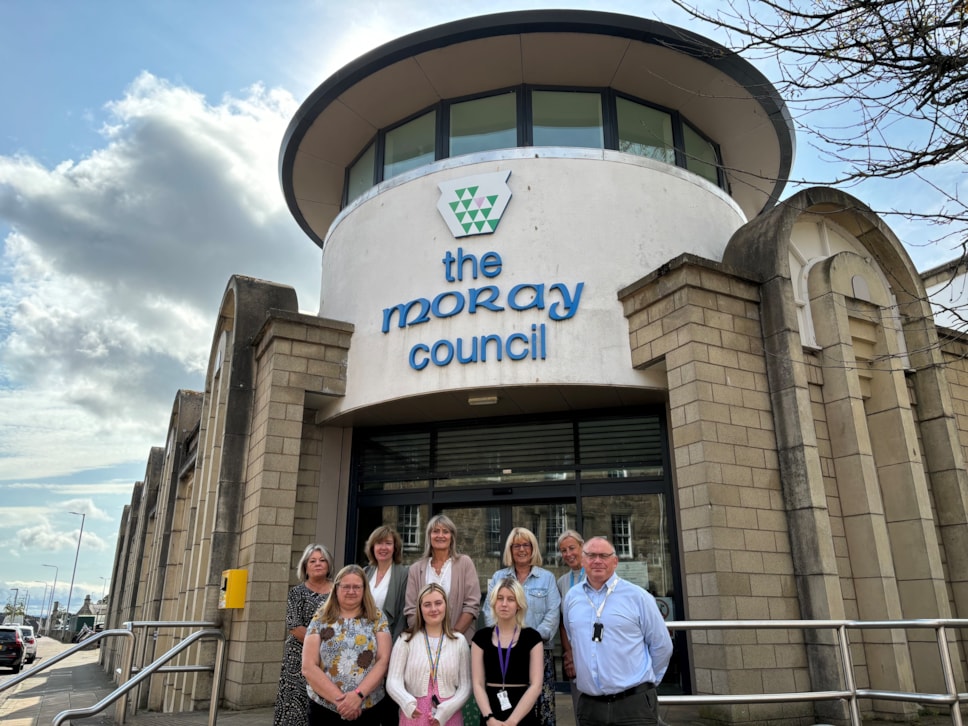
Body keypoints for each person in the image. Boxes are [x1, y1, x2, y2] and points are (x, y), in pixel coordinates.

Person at [562, 536, 673, 726]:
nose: (597, 561)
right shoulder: (572, 597)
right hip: (590, 705)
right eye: (591, 555)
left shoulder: (638, 597)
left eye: (604, 556)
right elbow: (575, 640)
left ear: (615, 562)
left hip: (633, 704)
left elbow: (661, 645)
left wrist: (646, 683)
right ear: (582, 560)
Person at [484, 528, 559, 726]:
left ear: (533, 548)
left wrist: (529, 641)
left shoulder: (547, 578)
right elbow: (488, 612)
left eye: (526, 545)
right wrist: (505, 640)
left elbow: (553, 614)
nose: (522, 549)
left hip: (539, 653)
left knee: (542, 713)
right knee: (507, 709)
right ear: (510, 549)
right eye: (516, 545)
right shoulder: (499, 577)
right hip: (505, 654)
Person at [303, 564, 391, 726]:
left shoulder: (377, 617)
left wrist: (357, 696)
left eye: (357, 587)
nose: (351, 591)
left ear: (364, 589)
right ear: (336, 589)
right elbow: (308, 666)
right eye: (346, 587)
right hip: (325, 708)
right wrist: (342, 702)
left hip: (368, 707)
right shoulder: (320, 617)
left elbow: (383, 661)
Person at [387, 583, 472, 726]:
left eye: (438, 603)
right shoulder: (405, 640)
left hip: (449, 717)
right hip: (413, 715)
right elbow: (393, 681)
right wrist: (406, 702)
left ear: (446, 605)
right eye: (427, 604)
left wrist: (446, 710)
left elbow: (466, 686)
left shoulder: (459, 641)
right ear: (420, 608)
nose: (433, 609)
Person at [274, 543, 335, 726]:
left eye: (322, 560)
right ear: (305, 566)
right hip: (298, 657)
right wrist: (319, 646)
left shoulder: (338, 591)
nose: (318, 564)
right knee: (296, 704)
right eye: (313, 561)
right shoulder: (297, 592)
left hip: (332, 656)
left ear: (329, 565)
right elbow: (294, 626)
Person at [471, 578, 543, 726]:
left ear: (519, 605)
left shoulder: (532, 638)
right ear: (493, 602)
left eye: (511, 599)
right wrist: (489, 718)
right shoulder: (480, 638)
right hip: (490, 713)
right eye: (500, 598)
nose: (504, 604)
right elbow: (477, 683)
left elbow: (536, 685)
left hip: (523, 714)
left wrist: (512, 721)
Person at [405, 514, 481, 643]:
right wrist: (427, 638)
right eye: (435, 531)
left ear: (452, 537)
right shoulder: (416, 569)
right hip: (425, 643)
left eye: (445, 531)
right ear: (429, 536)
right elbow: (411, 609)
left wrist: (452, 636)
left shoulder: (465, 563)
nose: (440, 535)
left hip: (458, 640)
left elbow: (471, 605)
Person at [554, 530, 584, 714]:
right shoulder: (562, 582)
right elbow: (563, 623)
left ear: (582, 547)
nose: (568, 554)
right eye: (563, 550)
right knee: (581, 707)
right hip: (574, 652)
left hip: (598, 650)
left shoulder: (596, 574)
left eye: (572, 548)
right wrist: (569, 653)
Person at [364, 525, 411, 641]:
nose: (383, 547)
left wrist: (394, 645)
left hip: (388, 638)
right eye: (379, 543)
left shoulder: (404, 574)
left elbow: (402, 616)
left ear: (395, 548)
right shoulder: (365, 572)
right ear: (372, 547)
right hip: (362, 638)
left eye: (388, 543)